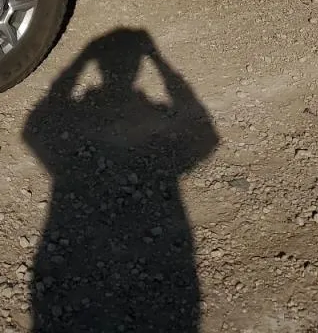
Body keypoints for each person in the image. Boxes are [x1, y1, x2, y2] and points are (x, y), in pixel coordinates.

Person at [22, 28, 219, 333]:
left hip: (71, 244)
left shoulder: (80, 119)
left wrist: (79, 62)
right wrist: (159, 62)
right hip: (162, 264)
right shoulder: (154, 118)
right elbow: (205, 135)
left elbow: (34, 127)